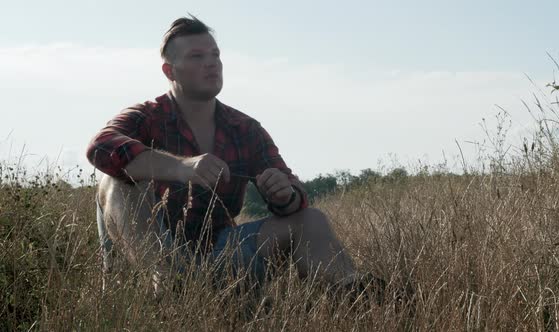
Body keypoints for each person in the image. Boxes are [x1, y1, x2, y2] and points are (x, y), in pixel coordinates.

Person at [86, 14, 376, 297]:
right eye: (197, 56)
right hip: (147, 270)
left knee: (310, 219)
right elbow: (101, 146)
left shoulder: (244, 128)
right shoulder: (146, 116)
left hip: (219, 257)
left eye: (215, 54)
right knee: (114, 181)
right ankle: (170, 284)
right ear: (169, 71)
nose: (212, 63)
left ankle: (356, 294)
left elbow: (295, 193)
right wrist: (181, 167)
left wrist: (284, 194)